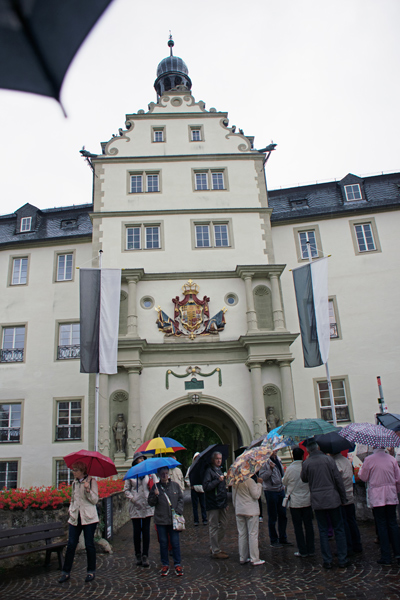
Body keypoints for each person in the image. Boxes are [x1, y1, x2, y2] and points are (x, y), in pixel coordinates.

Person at [301, 441, 349, 569]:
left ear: (308, 450)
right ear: (318, 448)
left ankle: (327, 560)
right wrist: (343, 498)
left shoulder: (307, 463)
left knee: (322, 531)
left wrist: (305, 464)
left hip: (318, 500)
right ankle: (342, 559)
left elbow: (304, 479)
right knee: (338, 529)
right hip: (332, 498)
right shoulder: (328, 460)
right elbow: (337, 479)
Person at [58, 461, 99, 583]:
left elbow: (95, 500)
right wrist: (71, 510)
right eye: (73, 470)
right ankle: (66, 572)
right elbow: (72, 499)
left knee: (89, 545)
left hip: (89, 518)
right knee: (71, 545)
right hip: (75, 518)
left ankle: (91, 571)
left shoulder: (92, 482)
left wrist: (88, 490)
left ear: (82, 471)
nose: (73, 472)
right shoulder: (74, 483)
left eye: (75, 470)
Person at [359, 447, 400, 565]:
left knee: (381, 524)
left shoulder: (369, 459)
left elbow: (363, 477)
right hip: (391, 495)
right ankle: (397, 552)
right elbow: (398, 478)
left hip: (377, 497)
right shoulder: (391, 459)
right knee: (392, 523)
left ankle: (386, 556)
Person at [148, 466, 184, 577]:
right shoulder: (155, 487)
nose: (164, 476)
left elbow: (181, 499)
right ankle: (165, 564)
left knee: (175, 543)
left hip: (173, 520)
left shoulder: (175, 486)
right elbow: (150, 503)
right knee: (163, 543)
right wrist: (155, 495)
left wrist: (178, 511)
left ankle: (177, 564)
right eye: (162, 474)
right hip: (161, 520)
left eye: (166, 473)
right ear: (159, 475)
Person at [282, 446, 315, 558]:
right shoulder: (306, 465)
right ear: (302, 456)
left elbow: (284, 481)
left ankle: (302, 549)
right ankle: (311, 548)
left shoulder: (290, 469)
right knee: (309, 525)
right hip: (307, 500)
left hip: (295, 502)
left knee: (298, 527)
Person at [124, 452, 154, 568]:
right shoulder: (131, 474)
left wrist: (154, 492)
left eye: (142, 458)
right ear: (135, 461)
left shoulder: (149, 473)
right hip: (135, 506)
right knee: (137, 531)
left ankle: (145, 555)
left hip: (147, 505)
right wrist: (133, 499)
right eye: (139, 459)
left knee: (146, 531)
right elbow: (126, 490)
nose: (141, 460)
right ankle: (137, 554)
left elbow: (155, 485)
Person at [259, 450, 292, 548]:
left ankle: (283, 537)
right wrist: (270, 469)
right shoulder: (264, 462)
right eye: (274, 449)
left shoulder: (278, 459)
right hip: (270, 491)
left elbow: (281, 473)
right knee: (273, 516)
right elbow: (262, 477)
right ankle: (273, 540)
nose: (276, 451)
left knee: (283, 515)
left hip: (280, 490)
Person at [331, 452, 362, 555]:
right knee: (352, 520)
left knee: (344, 522)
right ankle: (357, 544)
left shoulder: (335, 462)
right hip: (349, 493)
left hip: (342, 496)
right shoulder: (346, 460)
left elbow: (337, 480)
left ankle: (348, 547)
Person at [232, 475, 265, 565]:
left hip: (239, 510)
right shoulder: (249, 481)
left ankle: (243, 557)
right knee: (253, 534)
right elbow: (256, 495)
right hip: (251, 511)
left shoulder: (235, 481)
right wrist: (259, 484)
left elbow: (233, 497)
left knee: (242, 534)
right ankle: (254, 558)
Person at [203, 451, 229, 559]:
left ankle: (214, 545)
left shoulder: (220, 470)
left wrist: (226, 502)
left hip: (221, 502)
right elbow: (206, 486)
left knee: (224, 524)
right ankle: (215, 550)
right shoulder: (209, 471)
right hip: (213, 503)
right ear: (213, 460)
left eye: (220, 458)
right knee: (213, 526)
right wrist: (218, 480)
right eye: (217, 458)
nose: (219, 460)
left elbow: (223, 489)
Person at [185, 452, 207, 526]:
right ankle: (196, 520)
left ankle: (204, 519)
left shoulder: (203, 467)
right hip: (194, 488)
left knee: (203, 505)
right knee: (195, 506)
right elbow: (187, 478)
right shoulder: (191, 468)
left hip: (202, 489)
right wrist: (190, 485)